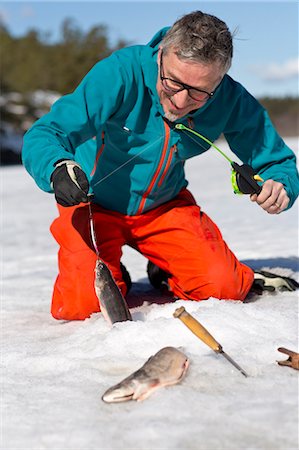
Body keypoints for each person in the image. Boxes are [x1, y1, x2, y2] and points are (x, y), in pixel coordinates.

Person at [22, 11, 299, 321]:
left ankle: (165, 269)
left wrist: (280, 185)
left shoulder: (230, 98)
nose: (181, 102)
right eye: (173, 83)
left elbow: (278, 162)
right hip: (92, 206)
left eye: (199, 92)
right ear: (162, 55)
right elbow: (47, 132)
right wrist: (57, 166)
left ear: (219, 79)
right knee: (83, 305)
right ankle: (114, 270)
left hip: (164, 208)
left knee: (224, 288)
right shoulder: (121, 72)